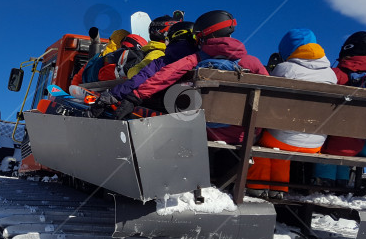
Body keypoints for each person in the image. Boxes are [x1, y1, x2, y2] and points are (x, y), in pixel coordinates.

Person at [114, 10, 268, 142]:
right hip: (247, 135)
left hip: (205, 131)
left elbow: (165, 76)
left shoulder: (196, 58)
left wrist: (135, 96)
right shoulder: (252, 62)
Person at [246, 29, 337, 198]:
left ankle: (257, 186)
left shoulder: (284, 69)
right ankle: (280, 188)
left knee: (265, 143)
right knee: (281, 139)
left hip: (283, 139)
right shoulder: (331, 74)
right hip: (316, 143)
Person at [315, 31, 366, 186]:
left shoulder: (335, 74)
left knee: (327, 142)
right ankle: (342, 184)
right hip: (358, 144)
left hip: (327, 143)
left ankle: (322, 182)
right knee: (346, 144)